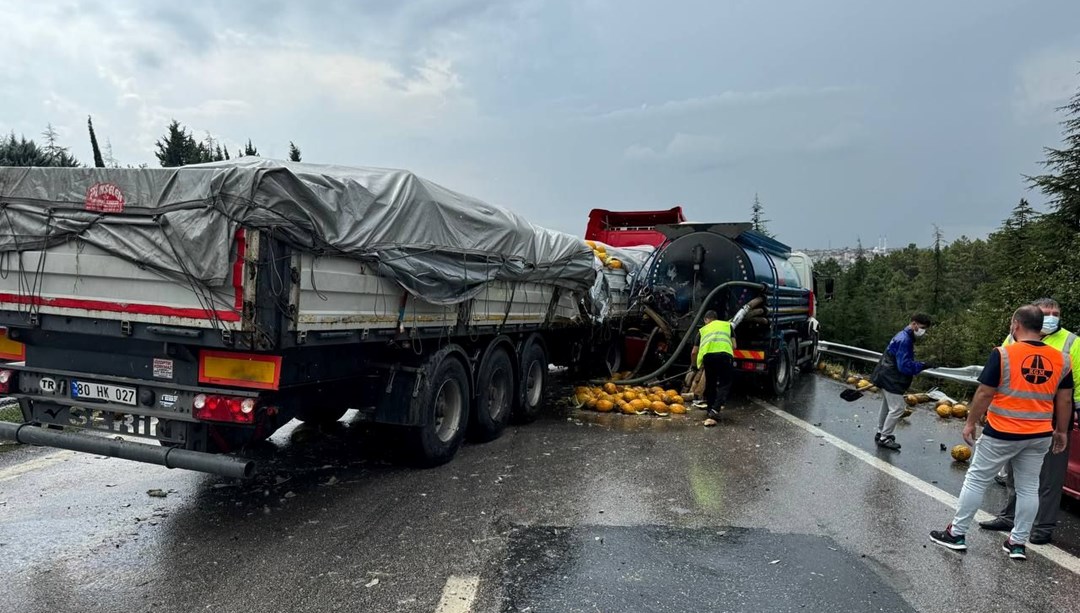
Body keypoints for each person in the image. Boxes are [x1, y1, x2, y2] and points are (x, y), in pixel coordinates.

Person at [930, 305, 1072, 560]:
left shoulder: (1004, 354)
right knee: (1030, 487)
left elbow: (985, 392)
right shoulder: (1062, 359)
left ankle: (957, 534)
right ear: (1040, 327)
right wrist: (1061, 431)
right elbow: (1064, 400)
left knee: (976, 480)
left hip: (1003, 431)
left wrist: (970, 422)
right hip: (1039, 433)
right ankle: (1017, 543)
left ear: (1016, 324)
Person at [979, 298, 1080, 544]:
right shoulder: (1015, 336)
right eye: (1046, 313)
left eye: (1056, 313)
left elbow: (1074, 386)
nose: (1051, 317)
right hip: (1018, 417)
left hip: (1055, 416)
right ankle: (1010, 516)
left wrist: (1068, 418)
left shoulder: (1073, 343)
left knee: (1050, 478)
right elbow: (1002, 368)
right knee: (1016, 473)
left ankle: (1042, 528)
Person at [870, 313, 936, 450]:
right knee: (897, 409)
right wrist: (923, 365)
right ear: (914, 324)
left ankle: (880, 432)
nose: (923, 331)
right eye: (922, 327)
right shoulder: (905, 340)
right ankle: (885, 437)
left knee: (887, 407)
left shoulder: (901, 335)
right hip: (891, 378)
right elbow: (904, 366)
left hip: (885, 374)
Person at [690, 310, 734, 428]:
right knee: (725, 383)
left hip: (709, 358)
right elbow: (734, 345)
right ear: (716, 318)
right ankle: (715, 409)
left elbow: (694, 352)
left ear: (706, 320)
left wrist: (694, 366)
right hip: (725, 356)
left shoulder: (702, 331)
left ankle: (710, 410)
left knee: (711, 383)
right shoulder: (727, 326)